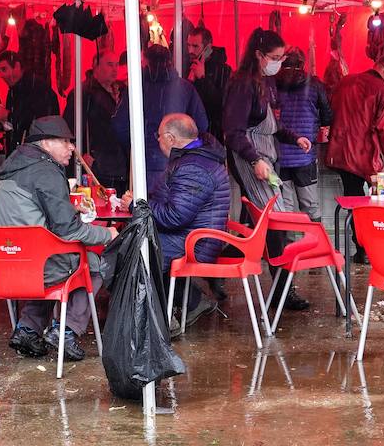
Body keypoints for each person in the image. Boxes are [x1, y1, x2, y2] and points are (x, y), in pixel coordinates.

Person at [0, 115, 117, 361]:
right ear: (45, 143)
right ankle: (65, 331)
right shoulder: (47, 171)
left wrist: (67, 206)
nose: (72, 148)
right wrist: (107, 234)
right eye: (65, 141)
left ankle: (28, 329)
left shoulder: (13, 166)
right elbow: (69, 231)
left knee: (53, 258)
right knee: (94, 264)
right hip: (37, 267)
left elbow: (27, 212)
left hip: (4, 268)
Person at [223, 28, 315, 308]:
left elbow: (272, 124)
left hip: (266, 157)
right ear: (259, 55)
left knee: (268, 222)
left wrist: (293, 137)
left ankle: (279, 286)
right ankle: (282, 291)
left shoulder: (267, 82)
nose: (279, 63)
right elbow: (233, 131)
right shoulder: (242, 84)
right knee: (275, 221)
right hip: (250, 159)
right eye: (274, 57)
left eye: (281, 57)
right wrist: (254, 160)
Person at [148, 113, 231, 329]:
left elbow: (175, 216)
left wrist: (140, 206)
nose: (157, 141)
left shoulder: (193, 166)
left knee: (142, 248)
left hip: (198, 241)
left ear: (170, 138)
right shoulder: (196, 159)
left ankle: (161, 321)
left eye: (158, 136)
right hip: (198, 234)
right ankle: (193, 302)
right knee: (141, 240)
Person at [325, 53, 384, 261]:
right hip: (365, 156)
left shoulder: (345, 82)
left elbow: (329, 111)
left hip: (340, 153)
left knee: (354, 199)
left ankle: (362, 248)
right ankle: (368, 249)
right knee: (375, 204)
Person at [112, 44, 208, 194]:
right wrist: (186, 150)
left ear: (145, 62)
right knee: (174, 209)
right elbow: (202, 125)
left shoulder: (136, 88)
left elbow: (119, 125)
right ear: (170, 61)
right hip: (178, 160)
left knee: (146, 210)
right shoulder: (185, 88)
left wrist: (136, 146)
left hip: (144, 162)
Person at [274, 48, 333, 221]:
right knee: (310, 206)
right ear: (302, 63)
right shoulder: (314, 84)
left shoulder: (272, 84)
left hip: (279, 156)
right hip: (304, 155)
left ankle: (287, 246)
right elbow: (327, 116)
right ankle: (314, 245)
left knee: (284, 208)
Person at [64, 55, 128, 192]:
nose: (114, 69)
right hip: (96, 163)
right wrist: (82, 153)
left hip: (118, 163)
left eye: (116, 64)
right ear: (96, 66)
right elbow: (71, 127)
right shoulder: (84, 93)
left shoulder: (121, 92)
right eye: (110, 64)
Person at [0, 50, 59, 154]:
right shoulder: (13, 90)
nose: (1, 75)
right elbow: (14, 124)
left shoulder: (38, 88)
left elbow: (39, 121)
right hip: (20, 153)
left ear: (17, 66)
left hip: (36, 153)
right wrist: (0, 124)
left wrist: (8, 116)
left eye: (4, 69)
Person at [186, 25, 231, 142]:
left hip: (212, 132)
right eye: (188, 45)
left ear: (208, 48)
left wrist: (202, 78)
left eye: (195, 46)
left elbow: (221, 104)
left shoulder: (223, 70)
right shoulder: (187, 65)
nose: (190, 51)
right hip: (190, 130)